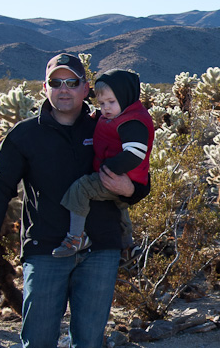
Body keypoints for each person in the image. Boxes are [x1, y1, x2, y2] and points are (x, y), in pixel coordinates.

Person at [0, 53, 150, 348]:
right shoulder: (24, 135)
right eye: (56, 82)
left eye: (73, 82)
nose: (65, 89)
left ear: (86, 88)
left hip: (100, 248)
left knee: (86, 345)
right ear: (45, 88)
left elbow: (140, 174)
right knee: (37, 341)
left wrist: (131, 191)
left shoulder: (106, 123)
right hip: (45, 248)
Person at [52, 69, 154, 258]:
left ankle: (76, 237)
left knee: (81, 189)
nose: (106, 108)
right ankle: (128, 245)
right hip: (128, 177)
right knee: (120, 206)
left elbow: (135, 153)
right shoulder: (121, 115)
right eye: (102, 103)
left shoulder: (133, 123)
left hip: (119, 173)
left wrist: (109, 169)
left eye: (111, 102)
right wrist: (99, 115)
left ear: (125, 97)